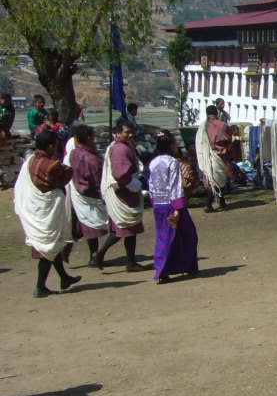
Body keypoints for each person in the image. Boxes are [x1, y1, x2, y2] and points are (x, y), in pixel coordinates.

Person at [14, 131, 82, 297]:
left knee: (54, 246)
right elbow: (66, 174)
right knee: (48, 248)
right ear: (51, 146)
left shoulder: (30, 161)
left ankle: (64, 278)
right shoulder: (50, 165)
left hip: (35, 211)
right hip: (44, 215)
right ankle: (40, 287)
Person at [95, 119, 146, 272]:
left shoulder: (121, 147)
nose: (130, 135)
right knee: (124, 227)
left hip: (125, 190)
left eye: (131, 132)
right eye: (126, 132)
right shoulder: (120, 150)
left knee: (129, 230)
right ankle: (101, 254)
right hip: (124, 192)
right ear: (118, 133)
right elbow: (120, 174)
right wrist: (135, 184)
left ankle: (130, 261)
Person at [149, 132, 199, 283]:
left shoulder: (153, 162)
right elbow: (176, 186)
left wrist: (153, 202)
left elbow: (151, 184)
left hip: (159, 205)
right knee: (187, 235)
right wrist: (177, 207)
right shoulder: (172, 162)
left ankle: (176, 267)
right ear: (170, 145)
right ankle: (166, 269)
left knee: (165, 236)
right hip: (172, 205)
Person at [69, 125, 109, 266]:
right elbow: (97, 180)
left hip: (78, 192)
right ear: (89, 138)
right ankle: (95, 255)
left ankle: (91, 254)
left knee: (87, 224)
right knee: (94, 224)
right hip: (90, 195)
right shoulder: (91, 159)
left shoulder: (73, 154)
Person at [196, 104, 232, 213]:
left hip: (206, 155)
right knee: (216, 179)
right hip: (219, 155)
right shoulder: (222, 125)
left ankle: (221, 200)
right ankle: (208, 205)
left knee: (214, 177)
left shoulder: (202, 126)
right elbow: (228, 139)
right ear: (216, 113)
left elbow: (199, 142)